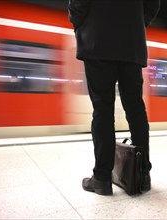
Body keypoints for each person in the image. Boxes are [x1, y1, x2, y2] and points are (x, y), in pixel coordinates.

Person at [68, 0, 160, 195]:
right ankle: (143, 175)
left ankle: (102, 178)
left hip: (97, 38)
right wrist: (136, 22)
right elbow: (153, 3)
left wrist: (78, 22)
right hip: (131, 41)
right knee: (136, 109)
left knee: (102, 109)